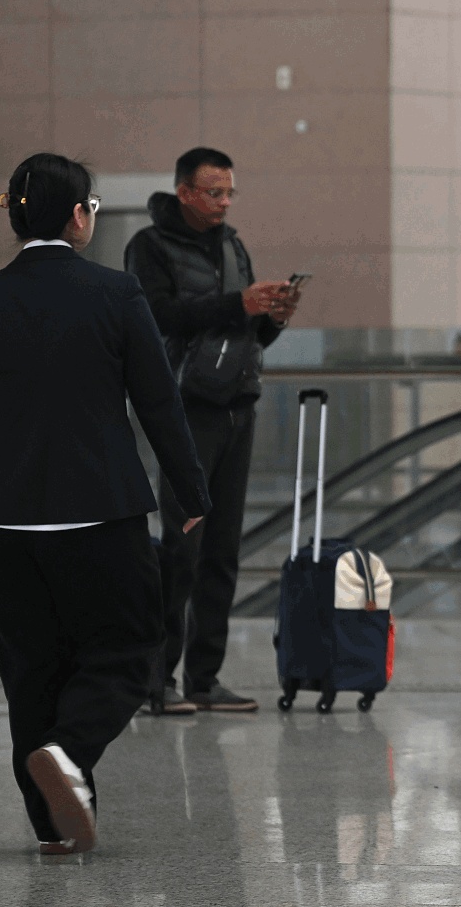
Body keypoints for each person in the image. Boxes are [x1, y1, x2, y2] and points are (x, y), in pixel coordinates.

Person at [0, 154, 209, 855]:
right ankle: (69, 752)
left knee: (31, 670)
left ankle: (56, 829)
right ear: (78, 216)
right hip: (100, 511)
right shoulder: (115, 292)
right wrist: (191, 490)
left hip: (5, 520)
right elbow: (158, 403)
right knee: (132, 647)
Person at [124, 147, 299, 715]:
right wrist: (235, 302)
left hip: (237, 405)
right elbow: (156, 318)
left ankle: (205, 678)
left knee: (222, 550)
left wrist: (270, 318)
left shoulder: (233, 246)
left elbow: (247, 332)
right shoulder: (150, 247)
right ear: (184, 193)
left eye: (229, 192)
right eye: (214, 192)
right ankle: (158, 681)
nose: (224, 203)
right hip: (185, 410)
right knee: (183, 547)